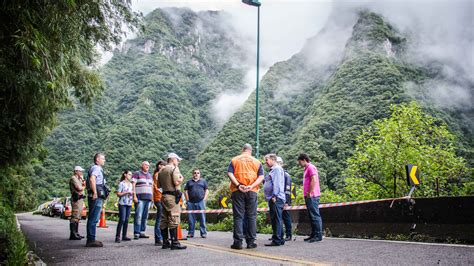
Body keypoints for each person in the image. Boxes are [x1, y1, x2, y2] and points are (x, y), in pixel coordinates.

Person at [227, 143, 264, 250]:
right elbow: (261, 176)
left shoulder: (234, 160)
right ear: (250, 151)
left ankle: (238, 242)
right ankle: (251, 242)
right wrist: (251, 186)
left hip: (238, 191)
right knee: (251, 216)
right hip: (252, 191)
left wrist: (239, 185)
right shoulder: (257, 162)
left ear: (242, 150)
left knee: (239, 216)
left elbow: (230, 173)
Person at [158, 153, 186, 250]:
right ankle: (175, 242)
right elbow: (176, 181)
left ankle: (165, 242)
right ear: (173, 159)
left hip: (164, 196)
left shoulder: (161, 170)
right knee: (174, 218)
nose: (178, 162)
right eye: (177, 160)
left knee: (164, 219)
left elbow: (158, 185)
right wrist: (182, 178)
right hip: (172, 197)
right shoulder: (174, 168)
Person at [297, 153, 323, 243]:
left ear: (304, 160)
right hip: (308, 195)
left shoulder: (311, 167)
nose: (299, 164)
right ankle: (313, 234)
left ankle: (318, 235)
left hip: (312, 195)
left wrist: (310, 192)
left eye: (300, 162)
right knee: (312, 215)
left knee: (315, 215)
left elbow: (314, 179)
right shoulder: (306, 169)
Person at [263, 154, 286, 247]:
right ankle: (280, 238)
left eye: (267, 160)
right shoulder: (274, 169)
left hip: (275, 197)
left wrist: (274, 195)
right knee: (277, 218)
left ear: (273, 159)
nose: (266, 162)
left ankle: (277, 239)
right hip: (274, 197)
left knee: (276, 218)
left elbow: (276, 183)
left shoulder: (276, 169)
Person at [86, 153, 107, 247]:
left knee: (93, 217)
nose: (104, 160)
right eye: (103, 158)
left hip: (96, 196)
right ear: (97, 159)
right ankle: (91, 239)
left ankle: (91, 238)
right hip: (96, 196)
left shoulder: (96, 168)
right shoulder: (96, 168)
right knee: (94, 218)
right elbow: (92, 179)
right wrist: (95, 192)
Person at [184, 168, 209, 238]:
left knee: (202, 218)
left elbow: (207, 190)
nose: (196, 174)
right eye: (195, 173)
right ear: (193, 174)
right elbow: (185, 191)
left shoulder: (203, 181)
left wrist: (204, 200)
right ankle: (191, 233)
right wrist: (187, 200)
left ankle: (203, 233)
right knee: (191, 219)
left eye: (198, 173)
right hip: (191, 203)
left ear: (199, 174)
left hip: (201, 202)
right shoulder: (189, 182)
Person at [132, 161, 153, 240]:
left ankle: (142, 231)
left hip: (148, 198)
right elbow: (133, 185)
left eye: (148, 165)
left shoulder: (150, 175)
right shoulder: (137, 174)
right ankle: (136, 232)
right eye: (145, 165)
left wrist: (152, 198)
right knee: (138, 215)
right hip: (140, 197)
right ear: (142, 165)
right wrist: (134, 196)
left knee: (145, 216)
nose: (147, 166)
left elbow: (152, 187)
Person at [115, 170, 133, 243]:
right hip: (122, 203)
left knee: (126, 219)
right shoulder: (121, 183)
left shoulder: (131, 184)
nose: (130, 176)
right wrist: (126, 192)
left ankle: (124, 235)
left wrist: (132, 193)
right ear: (125, 175)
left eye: (131, 175)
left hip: (129, 203)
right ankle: (117, 236)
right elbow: (118, 194)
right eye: (129, 174)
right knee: (122, 219)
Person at [277, 156, 293, 241]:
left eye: (280, 163)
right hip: (279, 199)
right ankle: (278, 234)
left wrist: (286, 201)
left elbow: (288, 189)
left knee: (286, 217)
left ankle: (288, 235)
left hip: (285, 200)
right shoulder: (278, 174)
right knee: (278, 218)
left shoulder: (286, 175)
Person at [69, 166, 86, 240]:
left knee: (78, 216)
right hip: (76, 199)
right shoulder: (73, 178)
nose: (81, 173)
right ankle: (73, 234)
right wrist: (84, 186)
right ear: (76, 171)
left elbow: (82, 185)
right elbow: (79, 188)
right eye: (80, 171)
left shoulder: (78, 179)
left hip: (80, 199)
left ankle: (76, 233)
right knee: (75, 216)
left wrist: (82, 180)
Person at [153, 160, 167, 246]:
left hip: (161, 198)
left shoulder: (160, 174)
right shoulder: (158, 174)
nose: (161, 166)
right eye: (160, 165)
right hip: (159, 198)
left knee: (162, 218)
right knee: (160, 219)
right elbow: (158, 187)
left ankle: (161, 238)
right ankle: (158, 238)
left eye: (163, 165)